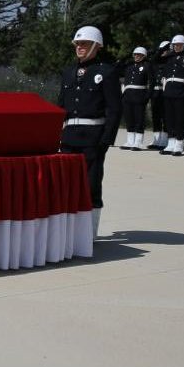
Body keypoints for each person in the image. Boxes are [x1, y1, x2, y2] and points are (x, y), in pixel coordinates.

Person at [57, 26, 120, 239]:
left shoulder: (106, 72)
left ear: (96, 46)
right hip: (69, 137)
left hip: (92, 138)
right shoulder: (68, 73)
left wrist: (106, 139)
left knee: (91, 184)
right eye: (77, 44)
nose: (79, 48)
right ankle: (68, 231)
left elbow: (114, 109)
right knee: (66, 184)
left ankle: (89, 233)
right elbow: (61, 106)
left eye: (84, 44)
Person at [159, 34, 184, 156]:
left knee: (180, 119)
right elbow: (155, 60)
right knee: (169, 119)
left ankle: (179, 144)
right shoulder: (169, 57)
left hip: (182, 91)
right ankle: (170, 143)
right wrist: (163, 49)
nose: (177, 47)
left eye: (179, 45)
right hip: (169, 90)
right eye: (175, 45)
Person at [119, 46, 153, 150]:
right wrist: (123, 58)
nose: (137, 56)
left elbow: (151, 82)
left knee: (139, 119)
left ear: (144, 56)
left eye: (139, 55)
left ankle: (138, 142)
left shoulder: (147, 66)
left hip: (139, 95)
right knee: (129, 119)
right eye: (135, 54)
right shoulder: (129, 67)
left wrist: (147, 96)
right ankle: (130, 141)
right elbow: (117, 69)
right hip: (128, 95)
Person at [148, 41, 171, 149]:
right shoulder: (155, 62)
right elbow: (153, 60)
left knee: (166, 116)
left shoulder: (170, 60)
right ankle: (157, 140)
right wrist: (161, 50)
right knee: (156, 116)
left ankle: (165, 140)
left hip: (166, 91)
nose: (163, 53)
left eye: (166, 50)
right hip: (156, 91)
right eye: (162, 50)